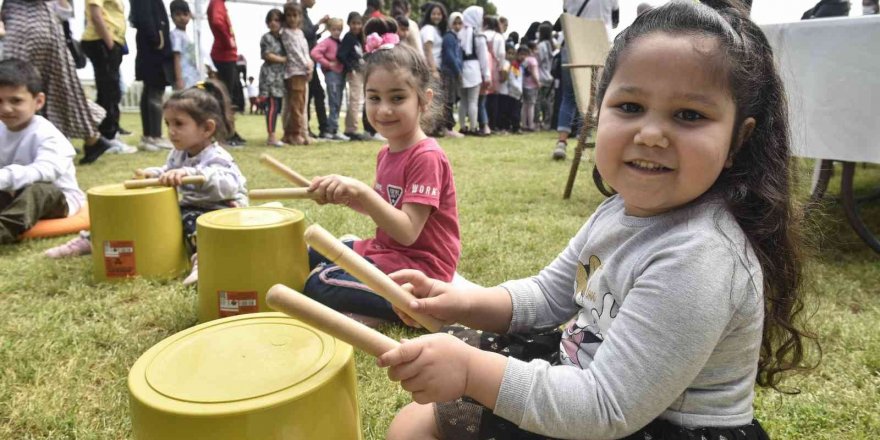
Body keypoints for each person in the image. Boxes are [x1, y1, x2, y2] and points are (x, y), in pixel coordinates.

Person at [380, 1, 816, 439]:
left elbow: (605, 407)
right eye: (629, 106)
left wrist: (472, 371)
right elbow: (549, 294)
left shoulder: (702, 256)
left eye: (689, 115)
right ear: (597, 109)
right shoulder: (616, 210)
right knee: (420, 419)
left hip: (641, 421)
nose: (650, 134)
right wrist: (459, 301)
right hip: (585, 378)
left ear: (738, 139)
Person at [303, 16, 460, 326]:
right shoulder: (386, 152)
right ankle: (377, 304)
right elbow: (385, 210)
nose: (383, 109)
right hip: (387, 252)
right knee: (308, 255)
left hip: (421, 268)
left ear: (423, 101)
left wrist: (360, 190)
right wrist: (345, 196)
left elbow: (407, 230)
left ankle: (417, 308)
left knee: (319, 282)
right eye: (374, 98)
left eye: (397, 98)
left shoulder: (426, 156)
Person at [47, 80, 249, 288]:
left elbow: (229, 184)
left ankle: (204, 261)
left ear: (207, 128)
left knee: (192, 222)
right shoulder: (178, 153)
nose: (171, 131)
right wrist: (153, 174)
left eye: (179, 124)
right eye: (168, 124)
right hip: (190, 206)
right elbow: (167, 170)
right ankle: (90, 241)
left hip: (221, 209)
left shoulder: (217, 156)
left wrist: (191, 173)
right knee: (147, 216)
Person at [0, 0, 119, 165]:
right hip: (48, 26)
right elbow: (65, 10)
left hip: (24, 27)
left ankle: (31, 145)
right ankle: (90, 139)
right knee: (60, 88)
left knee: (15, 87)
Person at [0, 59, 84, 244]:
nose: (6, 108)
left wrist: (5, 177)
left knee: (38, 191)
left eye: (16, 100)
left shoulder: (47, 134)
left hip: (57, 198)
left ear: (38, 101)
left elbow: (46, 171)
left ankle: (4, 230)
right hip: (13, 194)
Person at [552, 0, 619, 160]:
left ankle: (561, 142)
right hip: (600, 41)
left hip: (572, 42)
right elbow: (615, 21)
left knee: (568, 96)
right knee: (593, 96)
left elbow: (566, 16)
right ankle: (585, 141)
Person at [80, 0, 138, 156]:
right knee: (109, 91)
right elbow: (95, 13)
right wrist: (110, 43)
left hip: (110, 41)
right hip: (101, 41)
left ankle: (106, 134)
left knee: (112, 90)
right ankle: (108, 136)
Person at [130, 0, 175, 153]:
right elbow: (146, 19)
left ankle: (149, 135)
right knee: (155, 92)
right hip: (154, 51)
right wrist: (158, 40)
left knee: (149, 91)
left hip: (149, 50)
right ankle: (154, 135)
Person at [207, 0, 246, 145]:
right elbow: (217, 22)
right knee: (225, 97)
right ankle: (225, 134)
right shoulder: (216, 3)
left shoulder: (220, 4)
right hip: (223, 56)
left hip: (227, 56)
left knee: (231, 96)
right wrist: (228, 40)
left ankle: (230, 131)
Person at [280, 1, 312, 145]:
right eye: (289, 15)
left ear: (300, 17)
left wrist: (310, 63)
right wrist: (306, 64)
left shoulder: (300, 32)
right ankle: (293, 134)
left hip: (303, 71)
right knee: (295, 106)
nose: (292, 18)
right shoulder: (286, 33)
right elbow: (293, 52)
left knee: (301, 105)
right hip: (294, 72)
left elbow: (305, 51)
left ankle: (301, 132)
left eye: (295, 15)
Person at [311, 17, 348, 141]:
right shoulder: (326, 42)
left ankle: (334, 127)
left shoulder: (341, 42)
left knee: (338, 101)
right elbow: (315, 53)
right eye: (334, 29)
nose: (337, 32)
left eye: (339, 29)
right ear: (330, 29)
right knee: (333, 102)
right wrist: (327, 63)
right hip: (331, 74)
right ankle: (332, 129)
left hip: (341, 74)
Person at [458, 6, 490, 135]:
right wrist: (486, 75)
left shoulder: (460, 33)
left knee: (463, 101)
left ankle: (462, 127)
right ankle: (473, 127)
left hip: (461, 69)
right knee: (473, 101)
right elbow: (484, 59)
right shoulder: (479, 36)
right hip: (474, 69)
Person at [301, 0, 330, 139]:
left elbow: (310, 37)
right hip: (304, 64)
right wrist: (319, 23)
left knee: (316, 94)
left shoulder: (304, 14)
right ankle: (315, 128)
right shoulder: (298, 13)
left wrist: (322, 30)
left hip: (310, 63)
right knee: (312, 95)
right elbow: (305, 34)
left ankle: (321, 127)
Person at [259, 8, 288, 147]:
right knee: (272, 106)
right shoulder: (266, 38)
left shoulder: (283, 38)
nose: (273, 23)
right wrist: (284, 59)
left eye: (276, 20)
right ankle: (271, 137)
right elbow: (267, 55)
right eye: (270, 20)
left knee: (278, 106)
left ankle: (276, 134)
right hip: (269, 76)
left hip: (280, 77)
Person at [338, 11, 367, 141]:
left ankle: (352, 127)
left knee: (358, 100)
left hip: (361, 71)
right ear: (349, 23)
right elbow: (341, 54)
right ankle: (351, 129)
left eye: (359, 23)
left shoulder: (359, 38)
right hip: (354, 72)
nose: (356, 26)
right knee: (355, 100)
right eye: (354, 23)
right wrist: (350, 68)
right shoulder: (349, 38)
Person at [440, 12, 464, 138]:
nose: (457, 25)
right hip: (449, 72)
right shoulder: (449, 37)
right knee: (448, 100)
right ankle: (447, 128)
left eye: (460, 23)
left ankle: (448, 127)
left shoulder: (455, 37)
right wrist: (458, 71)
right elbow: (450, 56)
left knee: (451, 99)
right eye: (455, 23)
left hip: (452, 73)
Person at [170, 0, 200, 91]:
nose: (182, 17)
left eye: (185, 14)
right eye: (178, 14)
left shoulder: (185, 35)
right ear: (172, 17)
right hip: (184, 77)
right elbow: (176, 57)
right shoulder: (176, 35)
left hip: (193, 76)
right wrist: (179, 79)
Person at [535, 23, 555, 130]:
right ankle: (548, 122)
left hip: (541, 75)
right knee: (549, 101)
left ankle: (538, 122)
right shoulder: (553, 44)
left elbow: (539, 60)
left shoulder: (541, 45)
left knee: (538, 100)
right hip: (551, 76)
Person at [419, 2, 447, 78]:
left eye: (439, 14)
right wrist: (434, 71)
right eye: (433, 14)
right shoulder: (429, 29)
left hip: (434, 68)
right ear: (429, 15)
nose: (436, 16)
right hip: (430, 69)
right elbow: (428, 50)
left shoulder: (435, 29)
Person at [519, 45, 539, 132]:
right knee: (531, 106)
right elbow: (534, 73)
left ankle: (524, 124)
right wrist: (538, 82)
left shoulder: (523, 61)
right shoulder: (533, 60)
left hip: (523, 85)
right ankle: (531, 125)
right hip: (532, 85)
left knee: (524, 105)